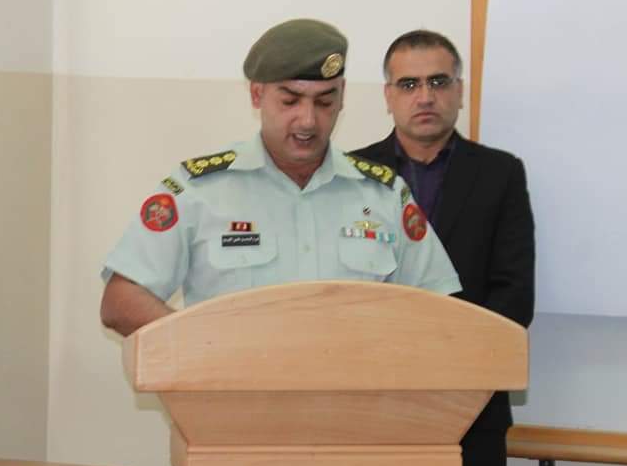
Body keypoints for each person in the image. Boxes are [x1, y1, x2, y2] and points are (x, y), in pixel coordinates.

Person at [100, 19, 462, 337]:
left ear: (342, 97)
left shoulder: (383, 195)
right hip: (234, 391)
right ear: (257, 94)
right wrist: (204, 351)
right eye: (290, 101)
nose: (308, 120)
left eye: (324, 102)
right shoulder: (199, 191)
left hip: (353, 393)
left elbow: (440, 309)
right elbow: (121, 300)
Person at [351, 29, 535, 466]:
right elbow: (338, 289)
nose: (425, 96)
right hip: (370, 401)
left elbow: (514, 296)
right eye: (409, 84)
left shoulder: (500, 173)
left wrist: (448, 364)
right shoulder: (352, 175)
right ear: (388, 96)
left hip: (471, 404)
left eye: (438, 81)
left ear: (460, 91)